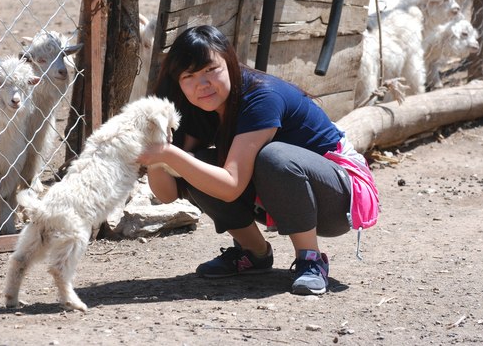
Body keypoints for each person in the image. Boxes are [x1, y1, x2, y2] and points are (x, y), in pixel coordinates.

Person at [136, 25, 378, 295]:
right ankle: (254, 254)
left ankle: (310, 259)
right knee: (196, 165)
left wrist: (170, 154)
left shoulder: (261, 97)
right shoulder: (197, 106)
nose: (201, 84)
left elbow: (231, 186)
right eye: (189, 76)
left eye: (210, 70)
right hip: (282, 198)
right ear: (178, 81)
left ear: (229, 62)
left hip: (338, 200)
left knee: (272, 156)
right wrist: (158, 158)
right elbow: (168, 193)